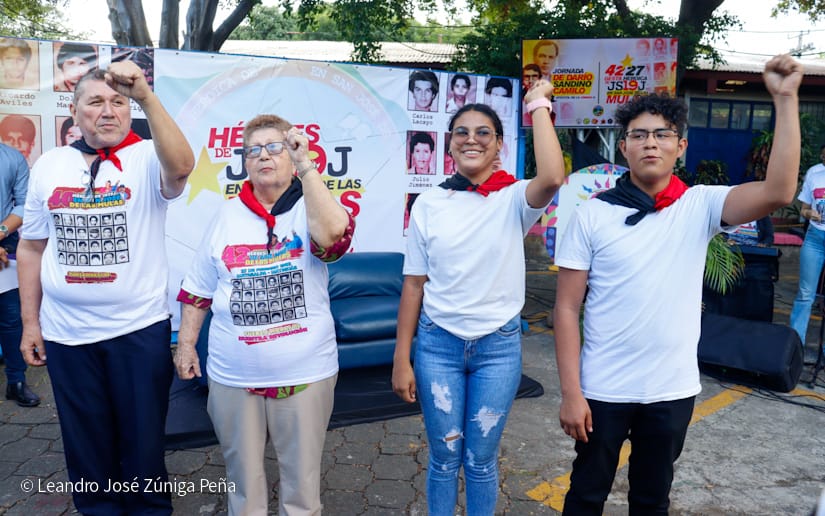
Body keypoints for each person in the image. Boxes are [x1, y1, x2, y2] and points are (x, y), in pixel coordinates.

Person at [552, 54, 802, 515]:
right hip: (603, 388)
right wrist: (571, 392)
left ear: (680, 146)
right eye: (639, 135)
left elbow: (779, 192)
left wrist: (785, 99)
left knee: (652, 500)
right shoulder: (592, 214)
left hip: (671, 389)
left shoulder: (699, 206)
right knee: (585, 495)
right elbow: (567, 308)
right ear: (623, 148)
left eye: (662, 134)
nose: (650, 143)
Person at [17, 61, 194, 514]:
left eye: (119, 102)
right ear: (74, 113)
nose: (109, 111)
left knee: (143, 443)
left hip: (137, 331)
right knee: (86, 444)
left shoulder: (148, 157)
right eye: (96, 101)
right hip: (67, 334)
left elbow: (182, 167)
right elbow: (32, 248)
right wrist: (31, 324)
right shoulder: (49, 165)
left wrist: (146, 96)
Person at [392, 80, 564, 515]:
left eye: (484, 132)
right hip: (437, 345)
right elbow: (414, 284)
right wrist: (401, 359)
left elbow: (552, 176)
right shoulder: (429, 203)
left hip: (497, 349)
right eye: (462, 132)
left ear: (499, 144)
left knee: (481, 460)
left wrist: (538, 105)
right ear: (449, 144)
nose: (472, 139)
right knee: (444, 457)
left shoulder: (514, 198)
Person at [174, 114, 355, 515]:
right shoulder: (225, 215)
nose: (263, 156)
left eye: (275, 147)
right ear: (244, 163)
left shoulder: (311, 205)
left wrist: (306, 166)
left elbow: (332, 239)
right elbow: (198, 289)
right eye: (253, 150)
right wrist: (186, 344)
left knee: (302, 487)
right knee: (242, 483)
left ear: (292, 155)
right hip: (234, 377)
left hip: (305, 373)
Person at [0, 143, 40, 407]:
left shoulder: (12, 158)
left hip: (6, 245)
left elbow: (25, 203)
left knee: (11, 319)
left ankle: (16, 381)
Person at [789, 143, 825, 347]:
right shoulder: (814, 173)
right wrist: (809, 213)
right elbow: (804, 209)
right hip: (815, 239)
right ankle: (795, 346)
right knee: (805, 294)